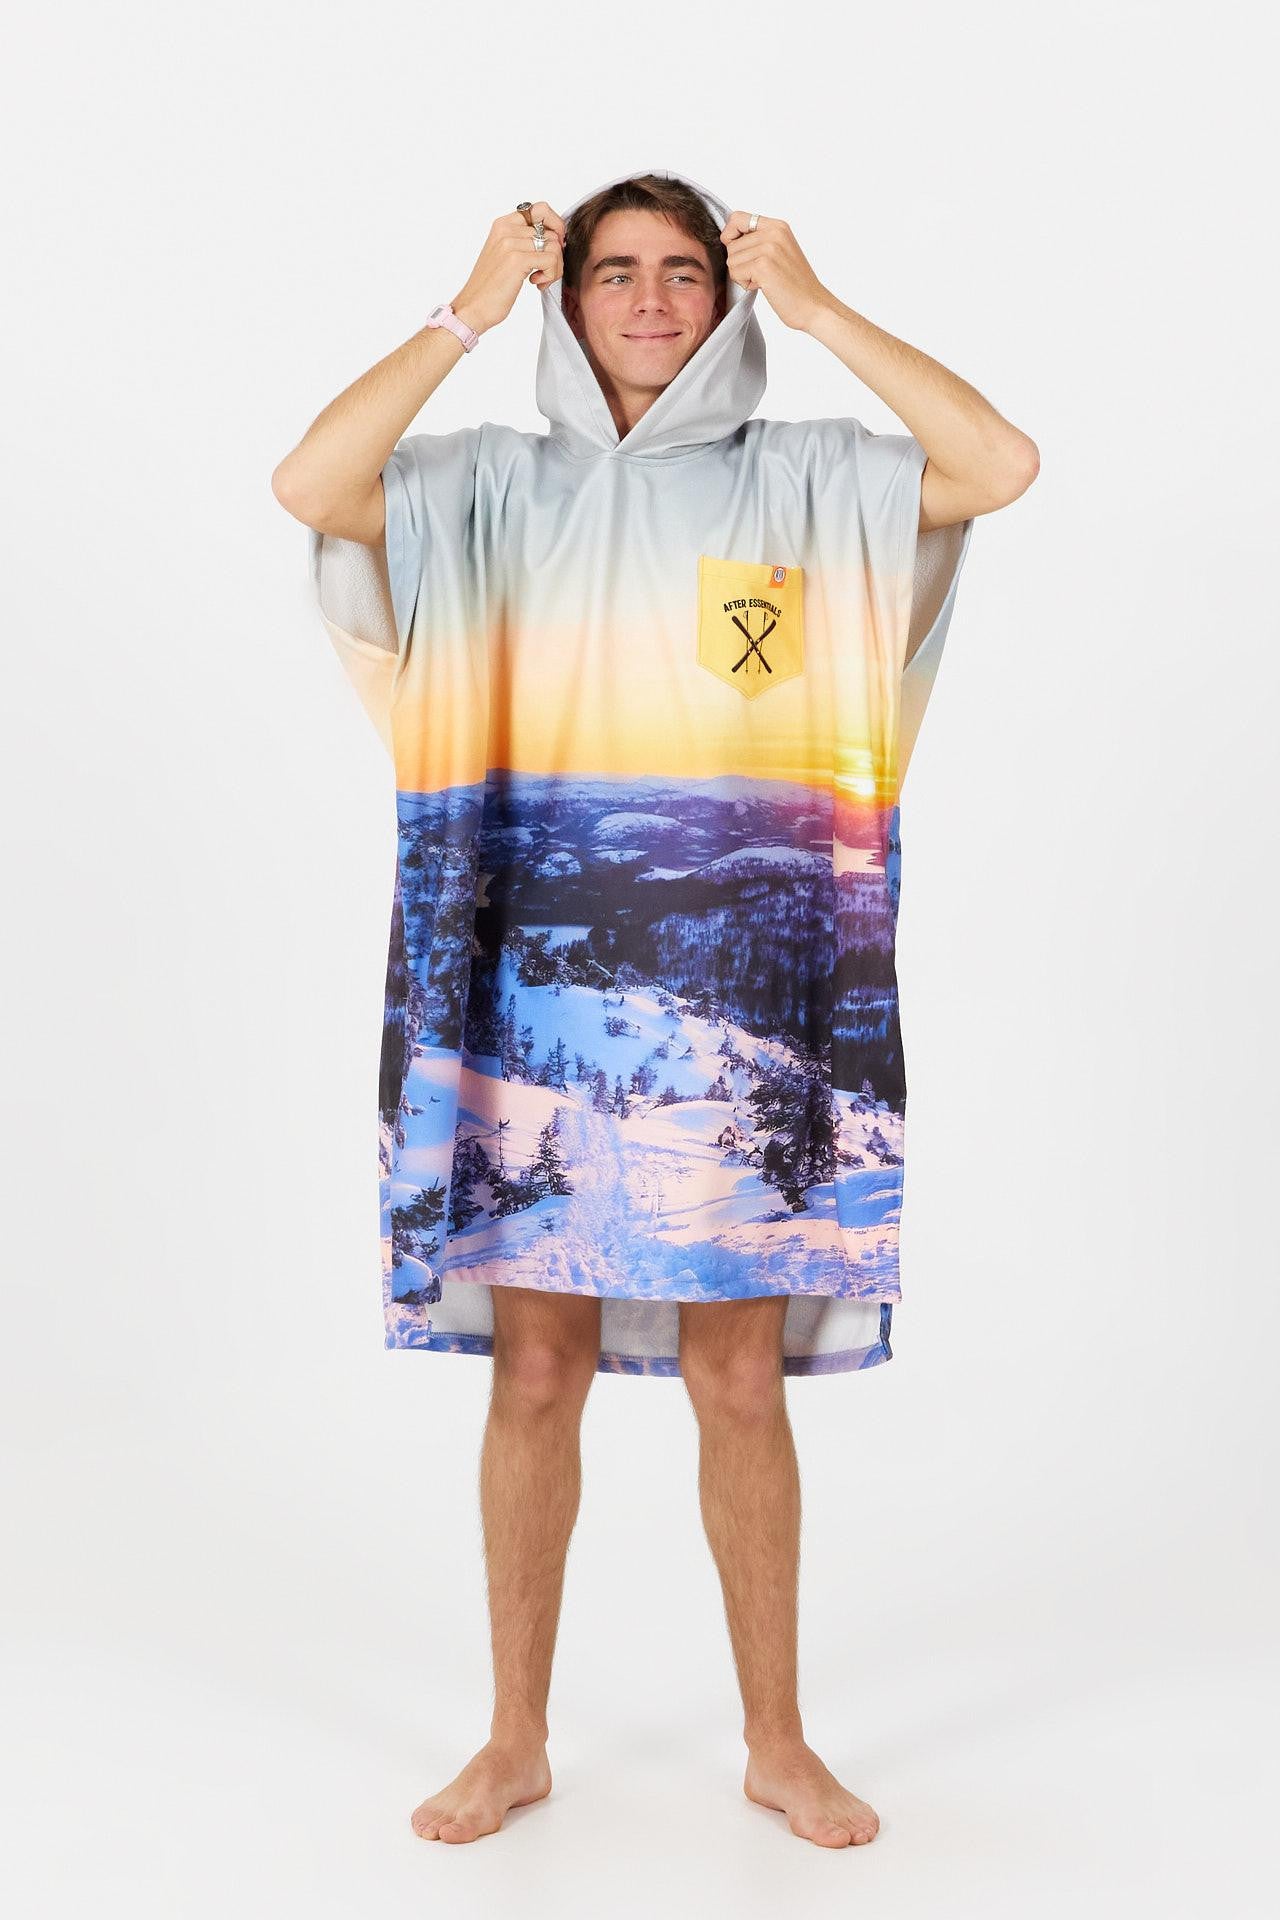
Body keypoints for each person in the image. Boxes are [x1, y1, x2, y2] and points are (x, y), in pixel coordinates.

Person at [272, 167, 1038, 1849]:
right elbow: (310, 484)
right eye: (613, 272)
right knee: (534, 1372)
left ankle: (777, 1740)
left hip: (752, 1004)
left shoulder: (808, 479)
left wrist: (817, 306)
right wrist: (465, 306)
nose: (648, 300)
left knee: (741, 1378)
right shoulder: (485, 484)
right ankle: (513, 1739)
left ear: (723, 296)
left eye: (684, 271)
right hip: (521, 990)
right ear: (569, 303)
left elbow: (998, 465)